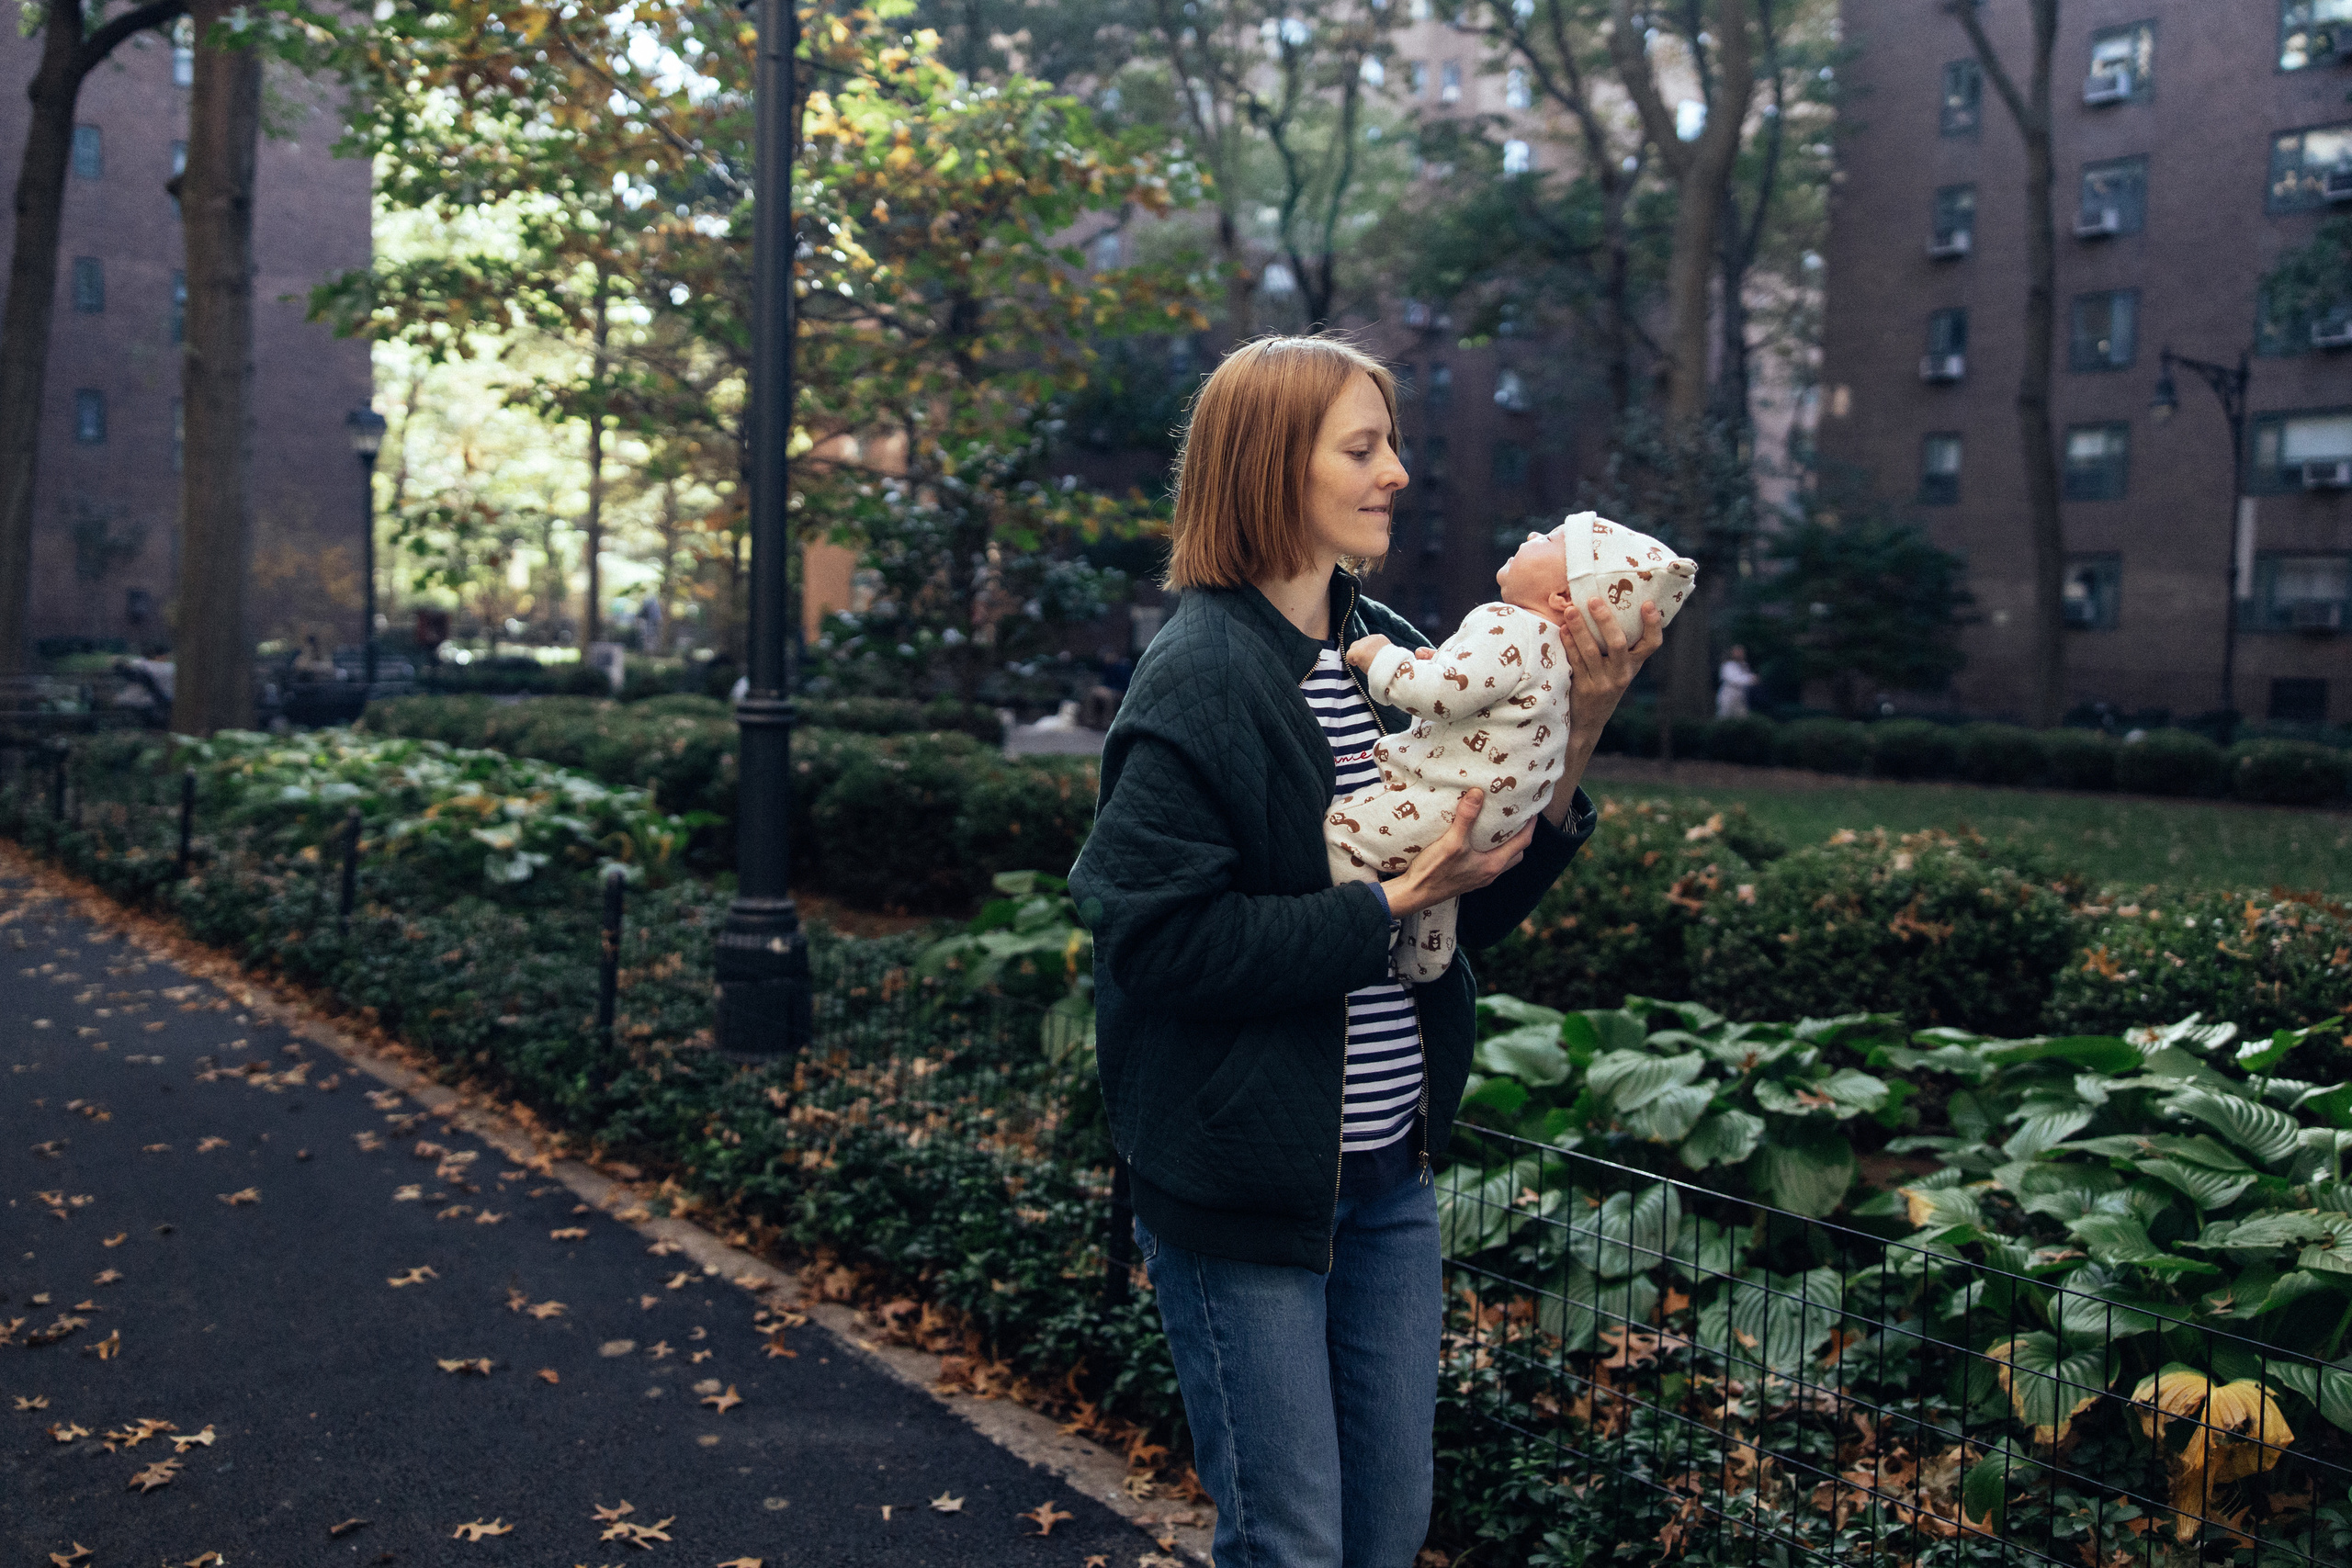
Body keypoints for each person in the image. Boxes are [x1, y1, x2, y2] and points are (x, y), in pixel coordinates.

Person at [1068, 335, 1663, 1567]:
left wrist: (1585, 721)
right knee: (1292, 1540)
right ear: (1272, 467)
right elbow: (1155, 939)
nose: (1397, 471)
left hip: (1386, 1179)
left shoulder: (1383, 640)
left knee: (1386, 1531)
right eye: (1363, 447)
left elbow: (1473, 899)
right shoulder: (1197, 676)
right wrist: (1390, 902)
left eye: (1392, 442)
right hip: (1244, 1187)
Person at [1333, 513, 1694, 981]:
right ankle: (1424, 960)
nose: (1530, 535)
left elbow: (1440, 693)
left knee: (1341, 836)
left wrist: (1384, 660)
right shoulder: (1559, 664)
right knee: (1437, 882)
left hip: (1444, 803)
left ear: (1563, 597)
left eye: (1547, 539)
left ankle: (1365, 945)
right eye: (1359, 451)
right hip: (1500, 819)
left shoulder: (1503, 622)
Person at [1716, 642, 1759, 718]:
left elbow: (1746, 676)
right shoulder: (1728, 665)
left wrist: (1752, 678)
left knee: (1742, 717)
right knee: (1725, 717)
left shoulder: (1744, 665)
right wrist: (1751, 679)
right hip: (1729, 694)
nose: (1740, 654)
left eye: (1741, 652)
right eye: (1737, 652)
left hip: (1741, 695)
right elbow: (1734, 679)